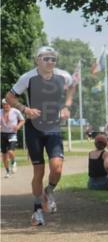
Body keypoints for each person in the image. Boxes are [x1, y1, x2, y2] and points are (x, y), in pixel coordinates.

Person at [5, 46, 75, 226]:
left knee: (57, 167)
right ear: (37, 60)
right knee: (39, 171)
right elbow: (9, 97)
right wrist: (25, 109)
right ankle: (37, 211)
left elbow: (73, 85)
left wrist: (67, 105)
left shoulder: (63, 76)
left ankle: (49, 191)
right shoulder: (27, 78)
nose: (50, 62)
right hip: (34, 128)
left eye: (53, 59)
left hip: (53, 127)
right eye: (46, 58)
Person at [1, 101, 25, 177]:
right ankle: (8, 172)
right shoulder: (0, 112)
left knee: (11, 151)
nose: (6, 106)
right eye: (4, 105)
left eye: (7, 104)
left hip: (12, 133)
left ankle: (14, 162)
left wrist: (18, 127)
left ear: (10, 104)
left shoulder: (15, 111)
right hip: (3, 134)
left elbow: (22, 120)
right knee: (4, 156)